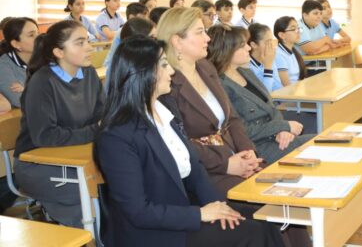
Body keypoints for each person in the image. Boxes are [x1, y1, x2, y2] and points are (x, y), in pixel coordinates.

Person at [95, 36, 285, 247]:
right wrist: (200, 214)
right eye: (164, 65)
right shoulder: (116, 136)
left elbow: (195, 171)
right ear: (142, 73)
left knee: (267, 221)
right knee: (253, 233)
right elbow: (138, 212)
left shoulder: (164, 112)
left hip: (183, 210)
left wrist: (217, 205)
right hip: (154, 233)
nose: (171, 71)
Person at [155, 7, 261, 193]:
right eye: (200, 32)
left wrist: (247, 151)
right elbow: (177, 141)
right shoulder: (165, 82)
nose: (208, 38)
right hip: (203, 171)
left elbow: (232, 118)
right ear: (177, 41)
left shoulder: (205, 67)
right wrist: (226, 164)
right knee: (259, 199)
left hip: (235, 156)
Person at [13, 20, 104, 227]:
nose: (89, 47)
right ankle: (89, 234)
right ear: (59, 52)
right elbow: (45, 136)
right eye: (80, 43)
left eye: (88, 41)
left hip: (76, 155)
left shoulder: (89, 73)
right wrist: (96, 130)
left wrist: (100, 128)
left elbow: (102, 116)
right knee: (95, 189)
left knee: (122, 178)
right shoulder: (42, 82)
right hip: (37, 164)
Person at [207, 25, 314, 164]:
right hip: (257, 147)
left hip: (276, 138)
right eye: (242, 46)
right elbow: (240, 131)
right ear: (227, 50)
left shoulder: (246, 72)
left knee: (319, 142)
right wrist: (282, 126)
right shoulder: (220, 85)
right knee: (316, 145)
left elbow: (270, 106)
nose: (248, 48)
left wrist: (283, 131)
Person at [104, 17, 157, 85]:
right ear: (137, 43)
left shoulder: (150, 63)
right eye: (152, 38)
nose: (157, 43)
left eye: (156, 38)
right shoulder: (126, 73)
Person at [0, 17, 38, 108]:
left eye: (38, 33)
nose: (39, 38)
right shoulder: (3, 66)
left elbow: (62, 91)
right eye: (31, 35)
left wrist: (26, 90)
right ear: (16, 44)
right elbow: (19, 101)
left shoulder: (45, 58)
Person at [102, 2, 150, 72]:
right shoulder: (124, 32)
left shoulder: (139, 32)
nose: (146, 21)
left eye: (147, 18)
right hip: (112, 67)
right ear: (132, 18)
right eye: (143, 18)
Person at [246, 23, 282, 92]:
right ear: (254, 45)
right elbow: (265, 94)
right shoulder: (248, 66)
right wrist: (268, 67)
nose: (271, 45)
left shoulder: (269, 59)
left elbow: (278, 87)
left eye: (272, 41)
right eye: (268, 42)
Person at [273, 16, 306, 88]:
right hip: (288, 93)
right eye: (293, 29)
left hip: (297, 89)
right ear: (282, 35)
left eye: (298, 28)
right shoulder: (278, 54)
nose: (298, 32)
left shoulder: (293, 51)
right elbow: (286, 85)